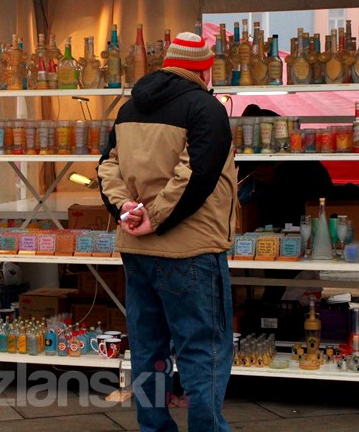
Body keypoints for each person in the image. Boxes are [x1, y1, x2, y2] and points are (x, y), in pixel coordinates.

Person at [98, 32, 236, 431]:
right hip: (191, 251)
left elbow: (107, 166)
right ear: (205, 68)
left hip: (137, 253)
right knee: (203, 350)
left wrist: (126, 209)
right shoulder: (206, 109)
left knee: (147, 350)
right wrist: (153, 218)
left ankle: (154, 427)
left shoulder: (128, 109)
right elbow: (195, 175)